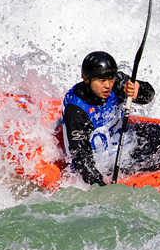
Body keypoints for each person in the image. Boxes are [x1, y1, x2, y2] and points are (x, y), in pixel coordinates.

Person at [61, 51, 155, 186]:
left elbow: (149, 96)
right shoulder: (76, 111)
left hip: (122, 143)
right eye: (102, 80)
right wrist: (102, 189)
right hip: (105, 162)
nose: (108, 85)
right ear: (86, 79)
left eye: (111, 78)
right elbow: (81, 158)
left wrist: (138, 91)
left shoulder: (117, 84)